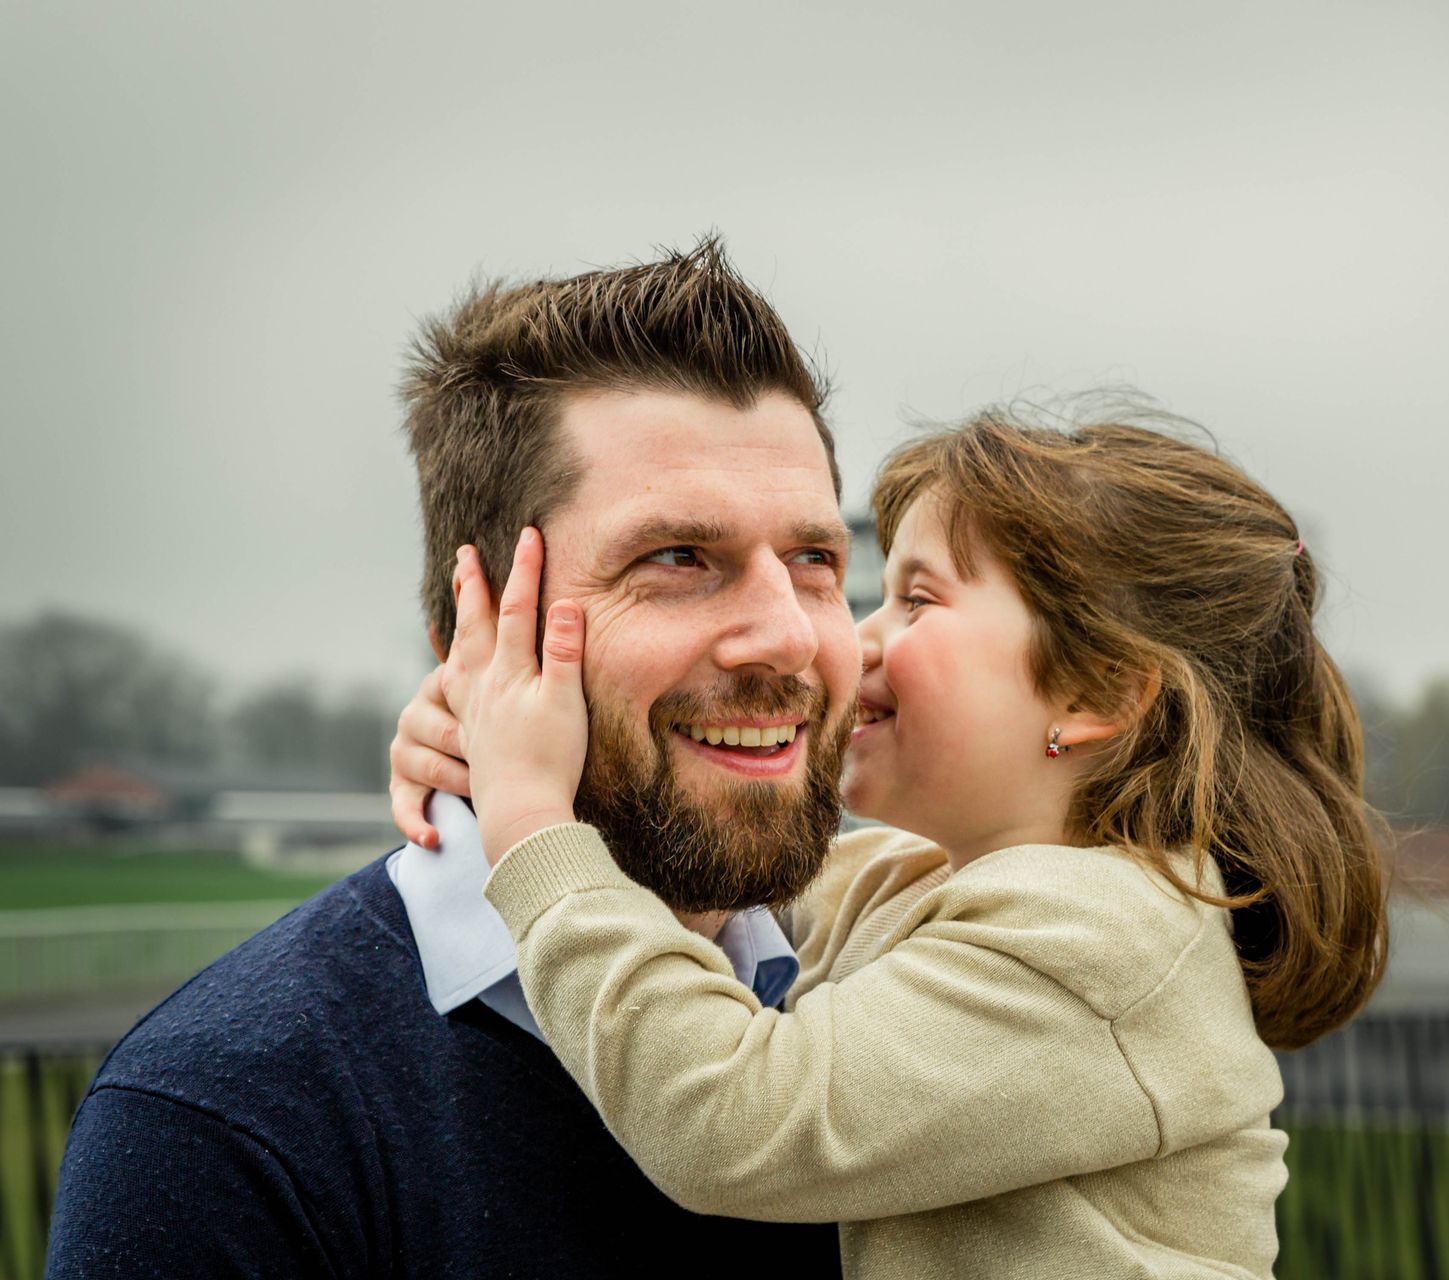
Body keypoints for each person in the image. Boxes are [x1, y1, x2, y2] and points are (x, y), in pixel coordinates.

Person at [390, 408, 1391, 1278]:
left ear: (1094, 692)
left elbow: (731, 1119)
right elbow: (692, 876)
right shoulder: (917, 882)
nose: (857, 639)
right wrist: (499, 732)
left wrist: (529, 815)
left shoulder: (1104, 939)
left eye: (918, 599)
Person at [45, 239, 849, 1277]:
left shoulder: (913, 988)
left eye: (814, 559)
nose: (787, 635)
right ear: (470, 638)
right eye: (678, 558)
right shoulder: (221, 1120)